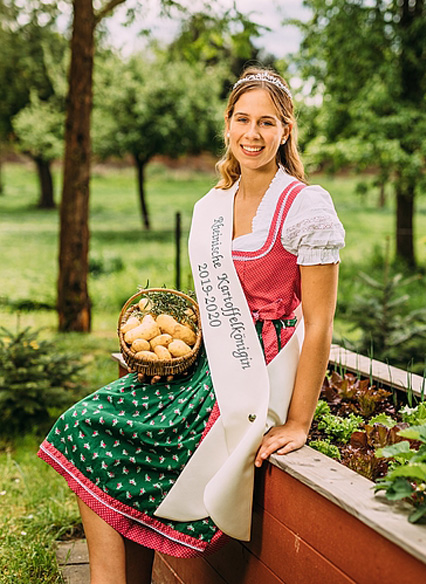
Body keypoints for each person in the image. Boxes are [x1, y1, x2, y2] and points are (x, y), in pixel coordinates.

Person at [38, 66, 345, 584]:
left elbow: (319, 324)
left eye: (267, 123)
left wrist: (298, 422)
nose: (253, 134)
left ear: (286, 130)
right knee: (83, 425)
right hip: (206, 358)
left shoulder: (305, 206)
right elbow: (213, 306)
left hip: (257, 368)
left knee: (135, 442)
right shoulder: (213, 206)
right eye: (243, 120)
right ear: (227, 125)